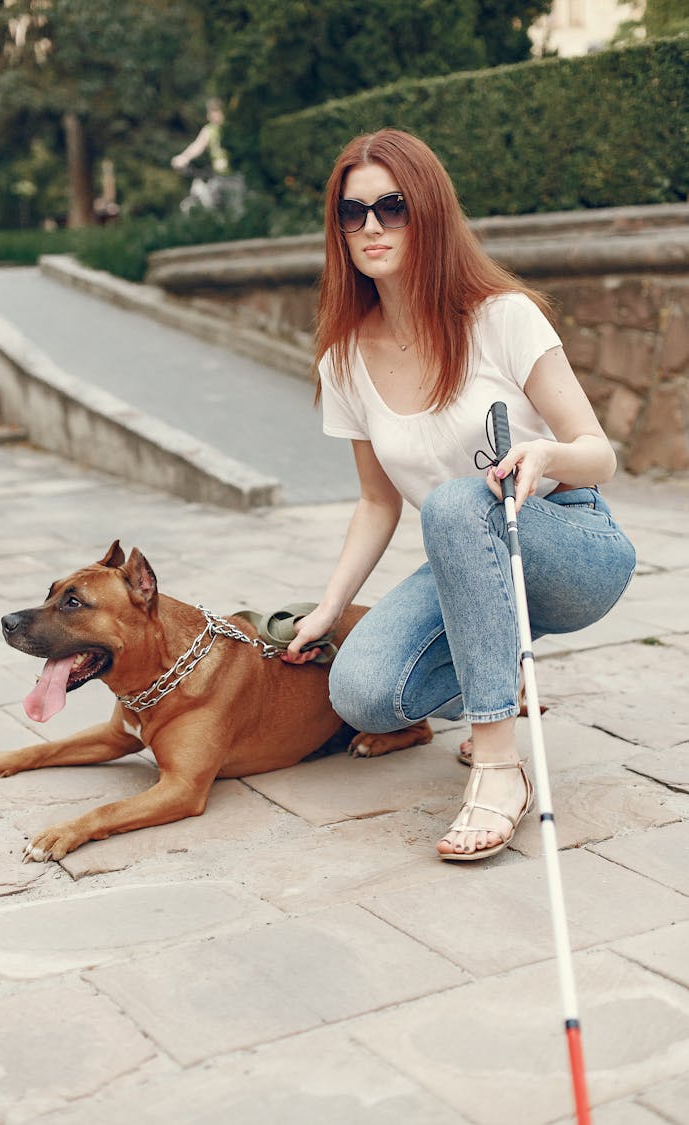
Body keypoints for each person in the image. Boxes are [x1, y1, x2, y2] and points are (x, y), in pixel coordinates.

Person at [282, 128, 636, 862]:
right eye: (354, 213)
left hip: (569, 545)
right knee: (362, 692)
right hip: (468, 557)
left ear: (430, 212)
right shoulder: (344, 357)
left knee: (451, 501)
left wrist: (547, 452)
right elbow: (377, 502)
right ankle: (495, 672)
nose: (372, 226)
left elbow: (600, 454)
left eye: (393, 206)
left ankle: (499, 764)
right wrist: (325, 607)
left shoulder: (502, 317)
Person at [170, 98, 232, 212]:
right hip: (217, 176)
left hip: (234, 177)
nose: (209, 116)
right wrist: (184, 157)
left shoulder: (232, 128)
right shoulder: (210, 129)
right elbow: (198, 145)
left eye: (214, 112)